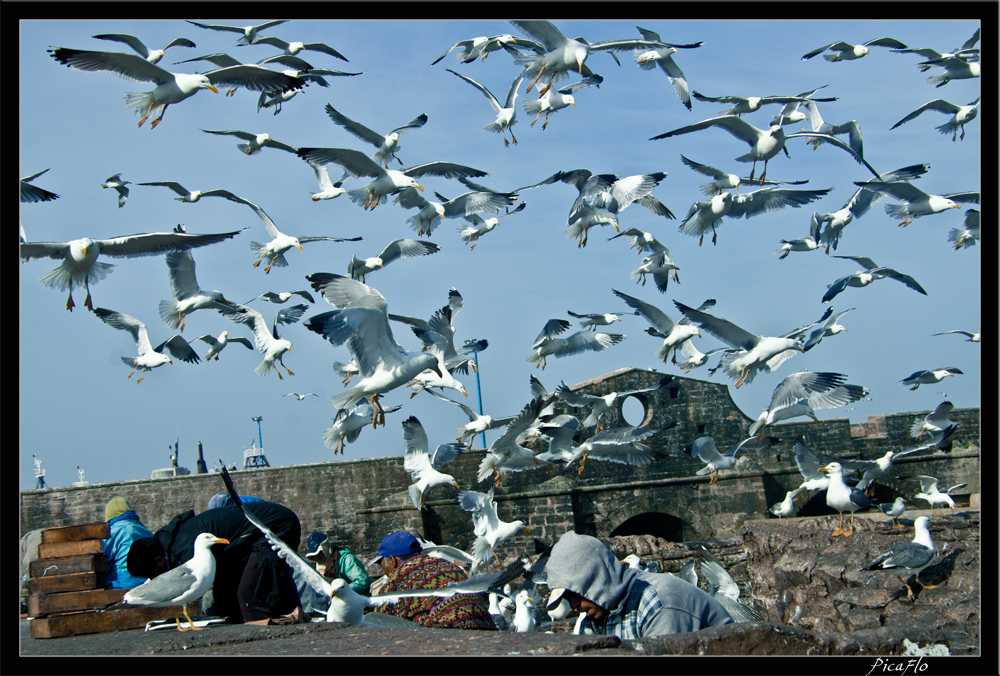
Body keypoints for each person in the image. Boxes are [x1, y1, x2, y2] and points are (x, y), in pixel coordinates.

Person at [126, 501, 304, 624]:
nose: (153, 580)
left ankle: (268, 640)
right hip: (249, 540)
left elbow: (203, 583)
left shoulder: (184, 549)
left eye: (151, 575)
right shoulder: (172, 543)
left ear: (158, 560)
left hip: (276, 526)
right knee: (226, 594)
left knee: (249, 594)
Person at [544, 531, 733, 639]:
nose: (573, 606)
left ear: (594, 579)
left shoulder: (660, 603)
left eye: (574, 593)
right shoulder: (601, 614)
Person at [369, 531, 496, 630]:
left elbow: (385, 615)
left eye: (382, 564)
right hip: (486, 627)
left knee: (372, 619)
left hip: (449, 633)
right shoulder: (447, 564)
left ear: (392, 560)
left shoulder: (396, 580)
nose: (384, 570)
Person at [102, 496, 154, 589]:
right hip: (148, 583)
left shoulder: (111, 532)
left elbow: (102, 563)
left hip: (123, 584)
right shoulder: (145, 530)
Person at [305, 532, 372, 595]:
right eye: (313, 556)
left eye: (319, 554)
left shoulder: (345, 559)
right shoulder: (312, 565)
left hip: (352, 601)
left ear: (325, 548)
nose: (317, 558)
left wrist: (339, 591)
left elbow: (363, 581)